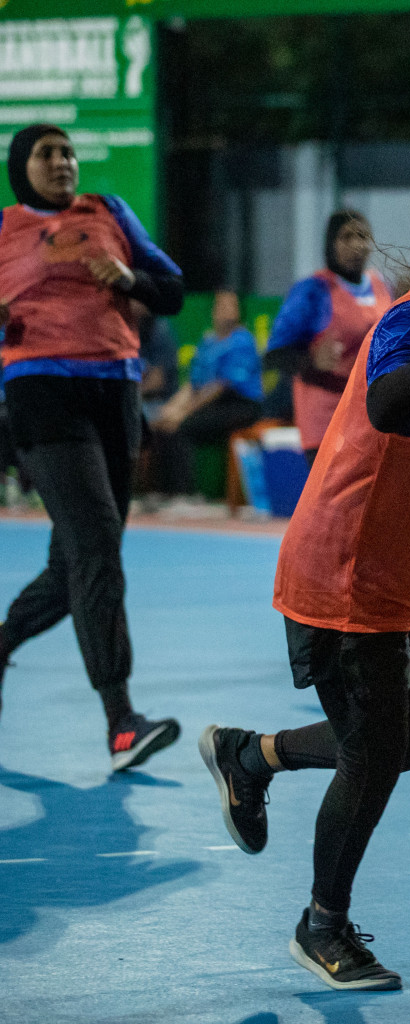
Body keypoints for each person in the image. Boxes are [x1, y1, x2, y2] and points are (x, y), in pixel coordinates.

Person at [198, 185, 410, 990]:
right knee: (375, 754)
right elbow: (386, 403)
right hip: (345, 575)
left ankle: (252, 755)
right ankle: (323, 925)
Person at [0, 124, 183, 767]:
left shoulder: (110, 213)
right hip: (41, 394)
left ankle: (1, 644)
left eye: (69, 152)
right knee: (98, 543)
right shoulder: (2, 229)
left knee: (73, 562)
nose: (62, 162)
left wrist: (128, 278)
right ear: (21, 167)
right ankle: (121, 721)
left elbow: (173, 291)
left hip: (116, 396)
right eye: (46, 154)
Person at [265, 210, 391, 462]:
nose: (357, 244)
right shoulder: (313, 291)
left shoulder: (381, 286)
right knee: (335, 502)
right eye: (346, 237)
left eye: (363, 236)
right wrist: (311, 359)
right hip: (326, 421)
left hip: (369, 417)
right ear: (330, 244)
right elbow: (274, 356)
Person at [149, 290, 263, 497]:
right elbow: (193, 386)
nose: (226, 310)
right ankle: (164, 493)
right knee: (162, 424)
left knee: (182, 427)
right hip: (211, 403)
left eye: (231, 306)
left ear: (239, 311)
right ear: (213, 311)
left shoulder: (242, 341)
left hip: (241, 404)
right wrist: (169, 410)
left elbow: (220, 387)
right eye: (222, 305)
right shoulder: (208, 342)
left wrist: (183, 414)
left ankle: (186, 496)